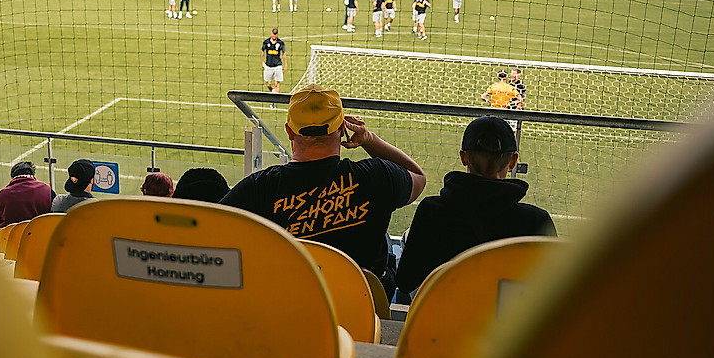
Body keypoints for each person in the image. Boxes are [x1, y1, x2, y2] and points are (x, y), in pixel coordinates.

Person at [220, 84, 427, 290]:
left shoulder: (258, 188)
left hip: (289, 302)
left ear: (289, 132)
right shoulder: (377, 176)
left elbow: (212, 234)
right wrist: (369, 139)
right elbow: (418, 177)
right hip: (363, 306)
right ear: (343, 128)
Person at [394, 116, 556, 296]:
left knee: (406, 238)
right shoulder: (536, 221)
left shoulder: (431, 211)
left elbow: (405, 282)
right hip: (506, 314)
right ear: (513, 161)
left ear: (464, 157)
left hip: (445, 312)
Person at [0, 160, 55, 230]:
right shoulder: (47, 190)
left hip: (9, 235)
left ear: (13, 177)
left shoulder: (2, 194)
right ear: (33, 174)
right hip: (40, 234)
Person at [261, 28, 287, 99]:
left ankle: (274, 100)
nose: (274, 36)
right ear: (271, 33)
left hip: (277, 65)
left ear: (277, 34)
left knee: (276, 84)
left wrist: (285, 64)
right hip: (268, 66)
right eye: (273, 34)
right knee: (268, 84)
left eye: (275, 34)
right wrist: (262, 62)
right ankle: (273, 91)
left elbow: (284, 54)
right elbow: (262, 52)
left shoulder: (280, 43)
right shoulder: (266, 42)